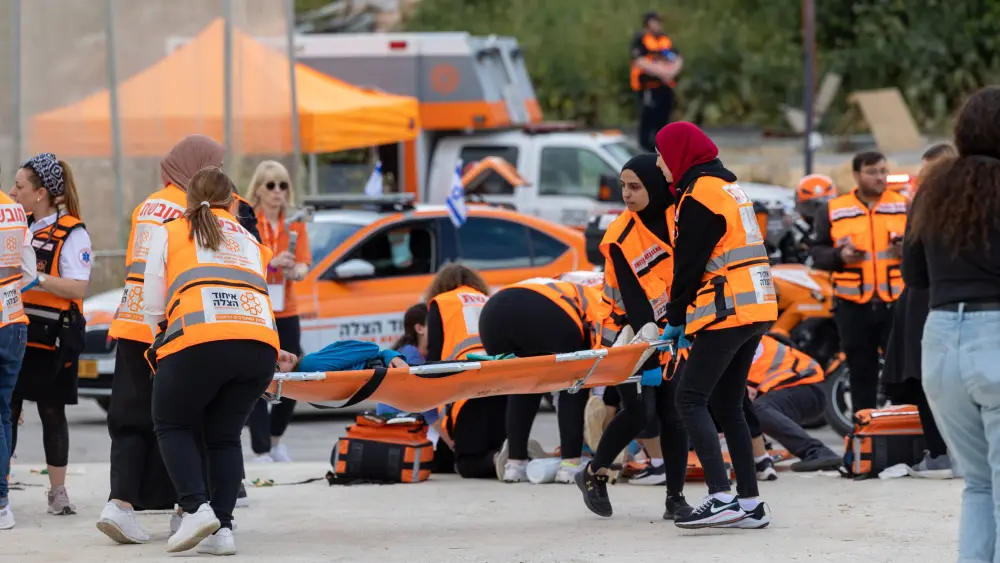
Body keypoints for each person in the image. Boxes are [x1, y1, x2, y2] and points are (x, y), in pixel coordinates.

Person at [142, 166, 284, 555]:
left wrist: (160, 339)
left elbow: (152, 303)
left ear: (188, 201)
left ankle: (195, 508)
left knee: (171, 423)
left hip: (200, 340)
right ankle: (222, 529)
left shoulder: (171, 231)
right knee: (224, 436)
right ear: (232, 203)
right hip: (260, 347)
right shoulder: (250, 239)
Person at [98, 134, 225, 544]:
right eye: (216, 167)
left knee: (129, 419)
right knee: (185, 419)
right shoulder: (195, 209)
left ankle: (119, 506)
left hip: (132, 323)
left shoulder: (147, 205)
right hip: (171, 328)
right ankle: (185, 510)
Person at [655, 122, 778, 529]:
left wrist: (675, 318)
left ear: (679, 155)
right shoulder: (727, 188)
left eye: (661, 155)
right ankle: (749, 503)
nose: (658, 164)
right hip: (755, 306)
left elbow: (688, 265)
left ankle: (720, 496)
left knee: (689, 399)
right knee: (727, 404)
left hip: (728, 309)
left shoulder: (699, 195)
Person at [903, 85, 1000, 563]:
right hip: (995, 334)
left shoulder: (933, 187)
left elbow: (914, 276)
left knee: (978, 484)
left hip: (941, 340)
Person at [574, 154, 692, 520]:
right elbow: (634, 301)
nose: (626, 194)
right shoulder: (620, 235)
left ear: (654, 185)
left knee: (674, 414)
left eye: (634, 186)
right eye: (623, 186)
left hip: (673, 330)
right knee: (641, 412)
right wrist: (651, 354)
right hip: (628, 334)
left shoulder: (678, 216)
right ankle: (593, 472)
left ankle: (676, 499)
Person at [8, 153, 90, 516]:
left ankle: (58, 492)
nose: (13, 193)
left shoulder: (72, 232)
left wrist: (37, 277)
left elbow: (78, 287)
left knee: (52, 410)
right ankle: (2, 485)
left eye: (19, 186)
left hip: (54, 335)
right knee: (8, 408)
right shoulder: (17, 226)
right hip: (18, 330)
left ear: (40, 193)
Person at [880, 142, 958, 479]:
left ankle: (941, 454)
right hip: (978, 303)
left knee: (927, 375)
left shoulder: (926, 202)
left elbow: (912, 267)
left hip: (927, 300)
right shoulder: (985, 197)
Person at [809, 151, 908, 413]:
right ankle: (865, 429)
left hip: (896, 305)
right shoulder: (834, 209)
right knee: (861, 373)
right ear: (856, 175)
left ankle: (905, 429)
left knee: (903, 374)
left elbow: (924, 247)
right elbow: (817, 253)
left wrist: (906, 249)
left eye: (883, 171)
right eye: (872, 172)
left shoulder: (904, 206)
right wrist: (840, 256)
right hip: (852, 306)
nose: (880, 177)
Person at [481, 276, 598, 484]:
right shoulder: (601, 295)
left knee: (523, 384)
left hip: (492, 313)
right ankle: (570, 466)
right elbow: (600, 351)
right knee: (574, 383)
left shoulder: (565, 283)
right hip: (544, 311)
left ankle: (515, 465)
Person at [245, 161, 310, 463]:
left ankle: (275, 440)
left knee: (293, 372)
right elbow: (244, 262)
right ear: (258, 189)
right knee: (256, 374)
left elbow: (304, 263)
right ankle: (260, 448)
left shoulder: (294, 223)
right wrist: (271, 263)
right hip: (257, 309)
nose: (277, 192)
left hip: (286, 309)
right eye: (270, 185)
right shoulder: (248, 221)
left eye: (283, 185)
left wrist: (296, 271)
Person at [425, 263, 505, 479]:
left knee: (467, 463)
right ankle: (514, 456)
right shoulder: (489, 300)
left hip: (466, 390)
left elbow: (434, 358)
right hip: (502, 386)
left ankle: (498, 459)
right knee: (494, 444)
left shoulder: (442, 302)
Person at [0, 164, 37, 531]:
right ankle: (2, 503)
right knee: (3, 413)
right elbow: (29, 274)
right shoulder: (13, 211)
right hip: (13, 322)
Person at [745, 335, 841, 471]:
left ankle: (817, 452)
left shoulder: (736, 344)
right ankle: (762, 448)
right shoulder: (733, 340)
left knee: (754, 409)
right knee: (748, 408)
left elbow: (748, 393)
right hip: (796, 388)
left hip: (806, 387)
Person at [630, 11, 683, 151]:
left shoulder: (665, 40)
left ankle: (662, 149)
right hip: (648, 87)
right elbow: (639, 61)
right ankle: (646, 149)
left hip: (664, 86)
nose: (658, 25)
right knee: (648, 120)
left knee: (664, 120)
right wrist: (661, 72)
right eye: (655, 22)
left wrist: (671, 72)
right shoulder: (641, 39)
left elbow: (677, 58)